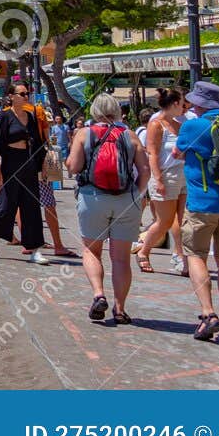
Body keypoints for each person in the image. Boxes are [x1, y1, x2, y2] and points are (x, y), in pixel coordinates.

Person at [174, 80, 219, 341]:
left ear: (198, 103)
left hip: (202, 204)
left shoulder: (192, 126)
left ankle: (208, 314)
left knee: (195, 255)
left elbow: (176, 153)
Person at [66, 94, 149, 324]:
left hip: (93, 198)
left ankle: (98, 294)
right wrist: (137, 196)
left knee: (92, 250)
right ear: (117, 112)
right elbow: (145, 171)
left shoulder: (84, 134)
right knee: (121, 258)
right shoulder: (130, 136)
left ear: (94, 112)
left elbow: (73, 167)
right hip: (126, 201)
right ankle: (120, 309)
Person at [0, 85, 51, 264]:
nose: (26, 96)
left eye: (27, 94)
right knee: (6, 204)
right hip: (11, 162)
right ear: (12, 96)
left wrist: (43, 165)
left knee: (31, 205)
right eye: (22, 94)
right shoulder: (4, 116)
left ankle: (34, 249)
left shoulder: (30, 117)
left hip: (28, 161)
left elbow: (38, 143)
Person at [136, 87, 188, 274]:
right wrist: (158, 180)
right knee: (164, 221)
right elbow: (153, 154)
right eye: (182, 103)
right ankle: (144, 251)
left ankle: (182, 257)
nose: (184, 106)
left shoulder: (179, 125)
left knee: (183, 221)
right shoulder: (156, 124)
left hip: (183, 175)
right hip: (165, 176)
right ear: (175, 103)